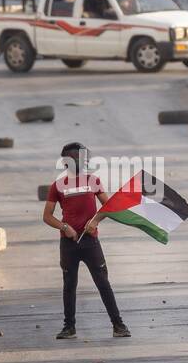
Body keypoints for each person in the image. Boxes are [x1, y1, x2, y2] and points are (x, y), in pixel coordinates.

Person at [42, 142, 130, 340]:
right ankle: (69, 327)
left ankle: (118, 325)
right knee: (69, 285)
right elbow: (47, 216)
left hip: (90, 242)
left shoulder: (93, 181)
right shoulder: (57, 186)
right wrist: (64, 227)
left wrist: (95, 220)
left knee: (103, 283)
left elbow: (109, 206)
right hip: (69, 244)